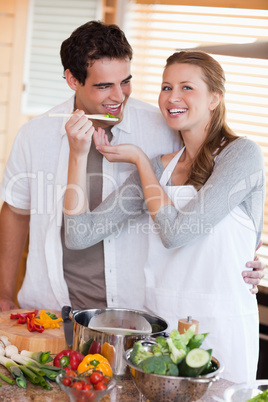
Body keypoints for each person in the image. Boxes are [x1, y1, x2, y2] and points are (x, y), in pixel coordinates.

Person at [0, 21, 263, 312]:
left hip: (141, 311)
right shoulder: (36, 134)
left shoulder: (167, 129)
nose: (119, 95)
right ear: (73, 80)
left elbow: (213, 210)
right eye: (104, 86)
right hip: (51, 304)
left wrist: (248, 260)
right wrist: (4, 293)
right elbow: (26, 215)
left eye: (125, 81)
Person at [63, 50, 265, 383]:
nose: (172, 98)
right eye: (166, 87)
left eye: (187, 87)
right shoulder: (160, 168)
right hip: (163, 326)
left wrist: (139, 161)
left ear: (215, 98)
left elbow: (177, 234)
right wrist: (78, 154)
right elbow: (79, 234)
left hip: (221, 324)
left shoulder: (242, 155)